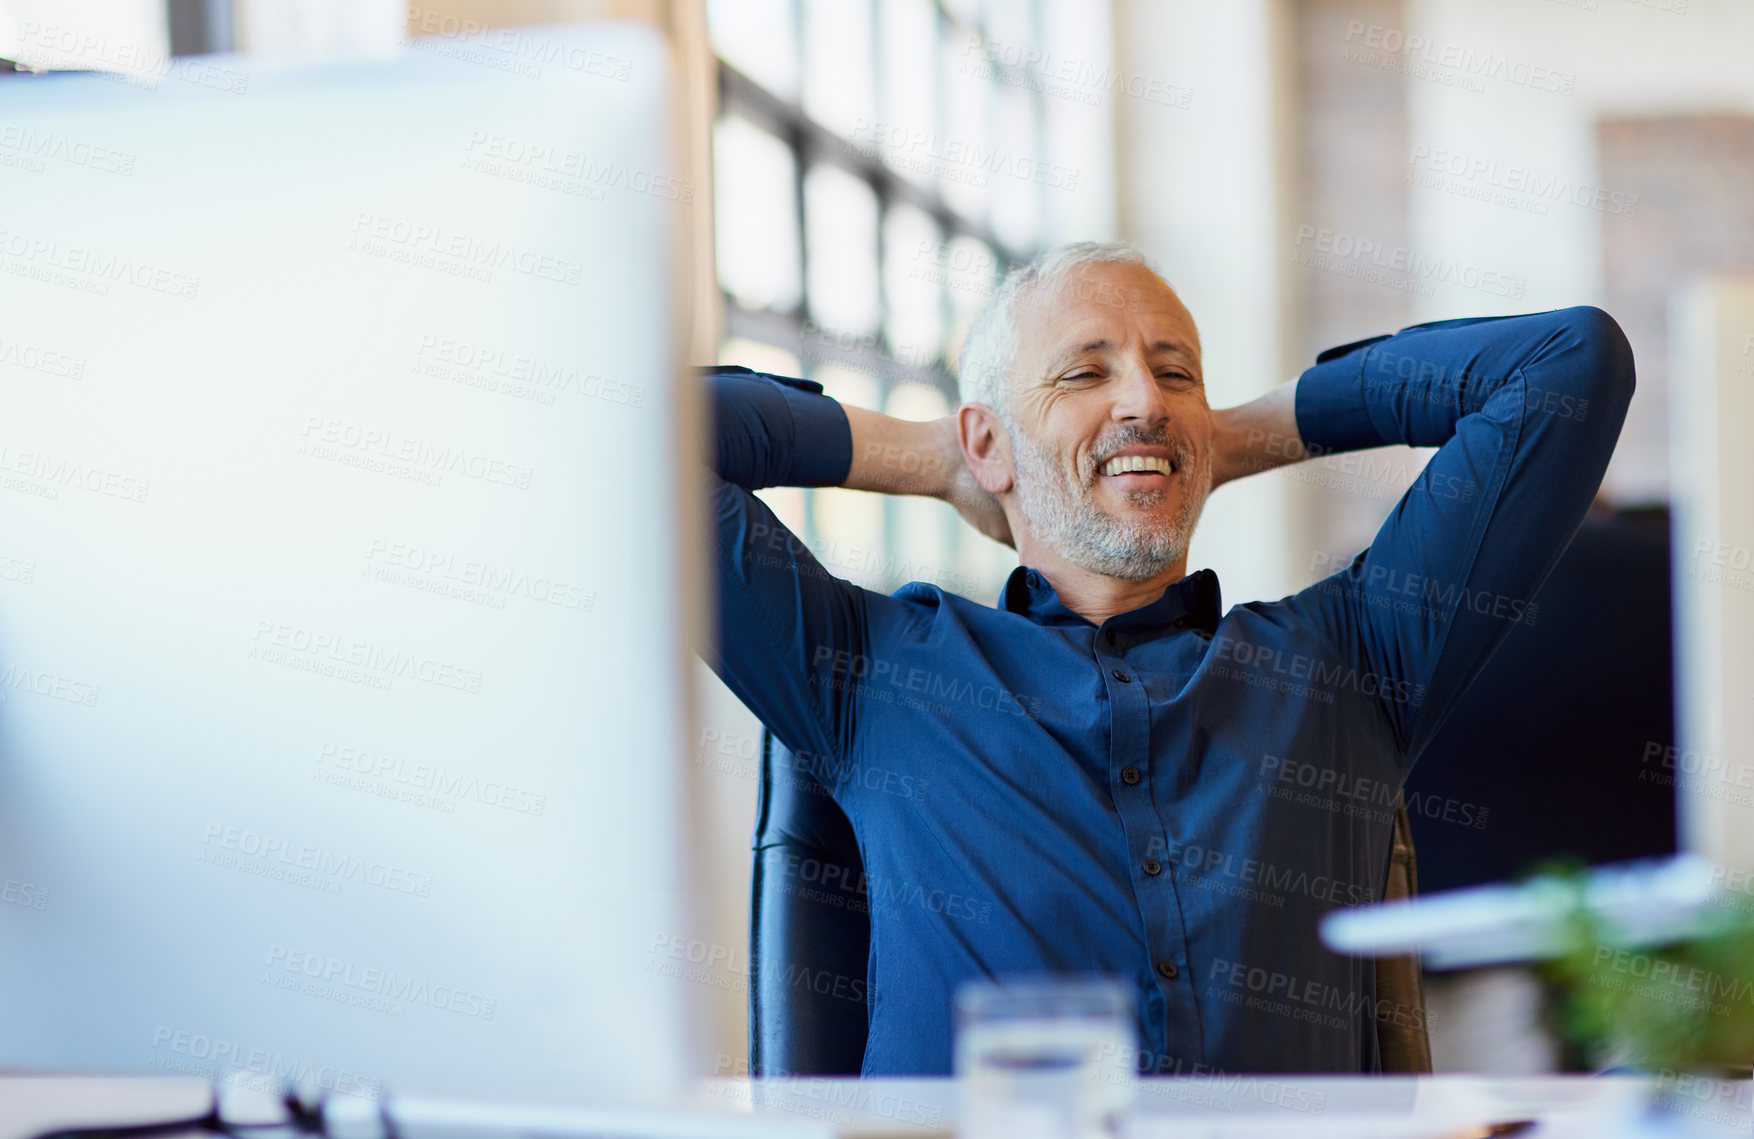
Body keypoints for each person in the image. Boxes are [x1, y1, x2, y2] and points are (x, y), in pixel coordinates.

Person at [701, 242, 1634, 1076]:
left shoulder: (1352, 660)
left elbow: (1568, 366)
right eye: (1084, 375)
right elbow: (625, 425)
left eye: (1174, 373)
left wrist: (1237, 434)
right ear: (989, 438)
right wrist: (933, 457)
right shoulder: (871, 677)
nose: (1144, 400)